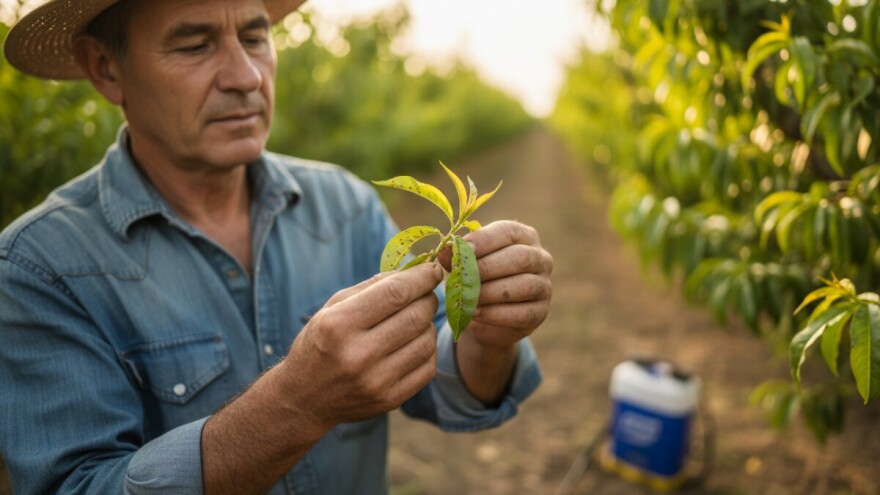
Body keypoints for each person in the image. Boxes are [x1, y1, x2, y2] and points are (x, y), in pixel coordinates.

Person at [0, 0, 553, 493]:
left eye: (256, 37)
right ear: (106, 68)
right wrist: (296, 403)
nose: (244, 76)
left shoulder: (343, 205)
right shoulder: (38, 268)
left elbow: (442, 388)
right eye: (194, 44)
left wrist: (487, 337)